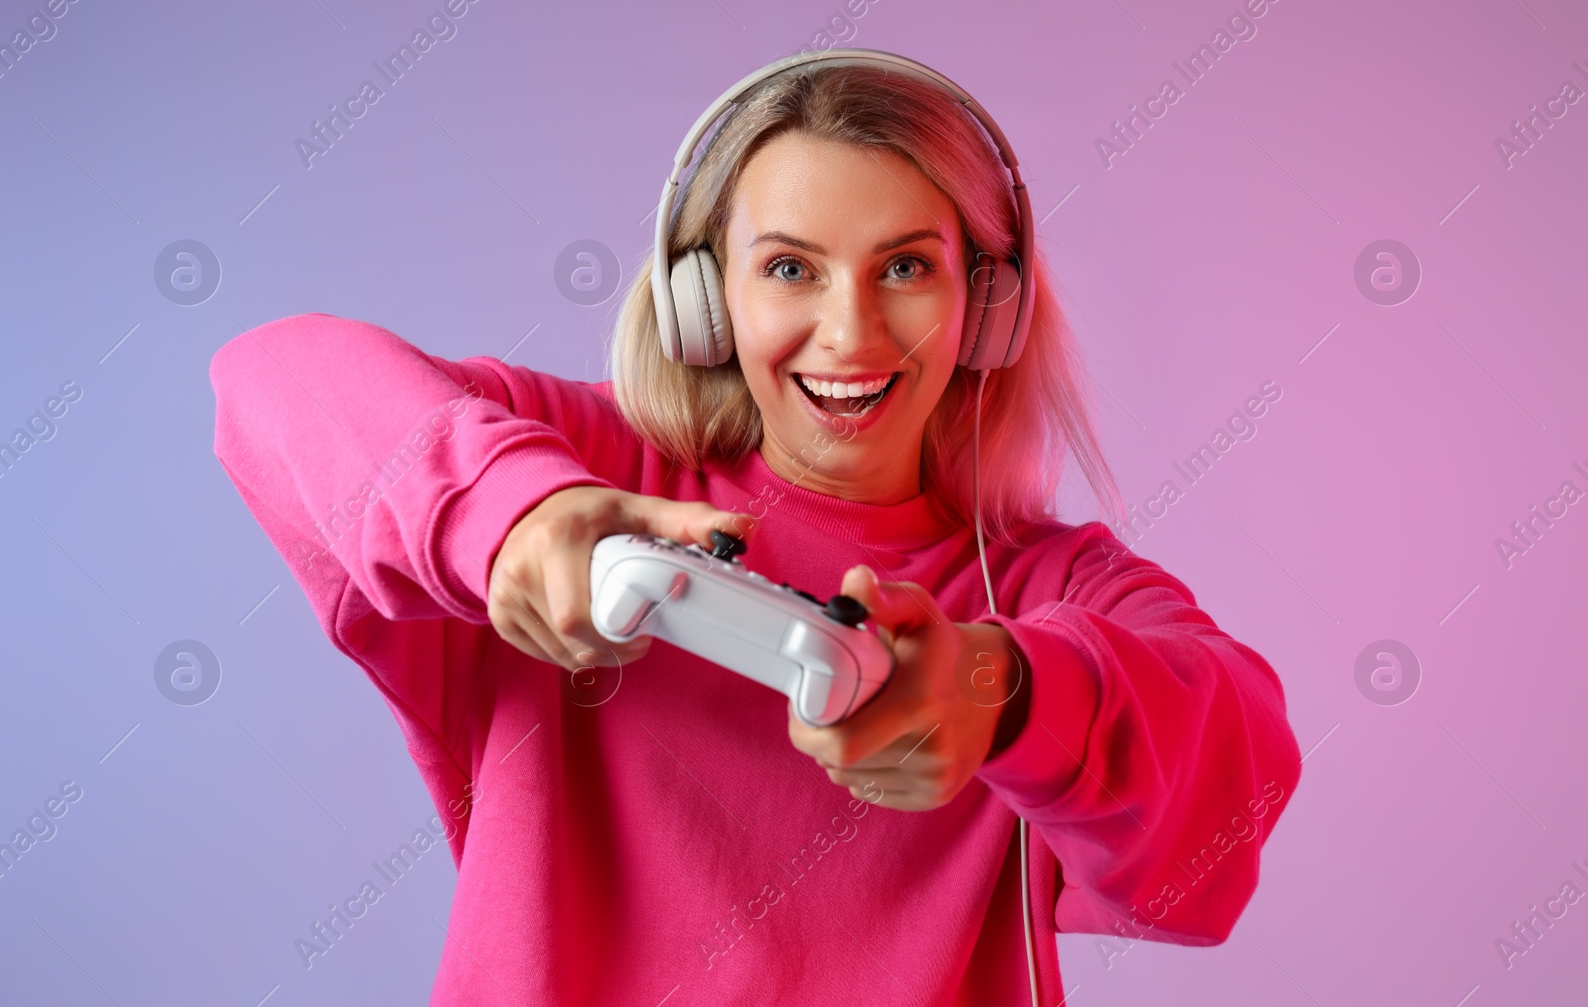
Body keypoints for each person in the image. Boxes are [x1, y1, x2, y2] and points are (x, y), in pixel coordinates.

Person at [209, 51, 1301, 1005]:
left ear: (988, 302)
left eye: (907, 268)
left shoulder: (1051, 587)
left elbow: (1229, 790)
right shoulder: (581, 465)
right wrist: (514, 516)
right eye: (789, 267)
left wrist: (999, 692)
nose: (850, 329)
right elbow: (274, 376)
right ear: (704, 295)